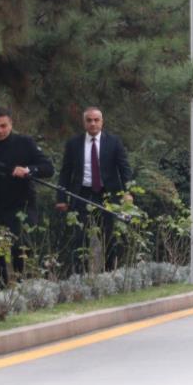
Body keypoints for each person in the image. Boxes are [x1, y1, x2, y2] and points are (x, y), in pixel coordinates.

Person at [56, 107, 133, 271]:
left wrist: (128, 192)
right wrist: (61, 198)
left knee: (110, 236)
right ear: (84, 123)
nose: (93, 123)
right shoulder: (73, 144)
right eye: (89, 120)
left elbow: (124, 168)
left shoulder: (113, 142)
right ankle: (79, 275)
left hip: (107, 194)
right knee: (79, 237)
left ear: (102, 122)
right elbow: (65, 171)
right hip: (81, 193)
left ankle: (110, 274)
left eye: (96, 120)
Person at [0, 106, 54, 285]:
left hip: (21, 206)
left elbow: (48, 168)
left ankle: (27, 289)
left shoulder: (24, 142)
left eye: (3, 126)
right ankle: (1, 294)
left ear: (11, 124)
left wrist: (29, 170)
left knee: (21, 249)